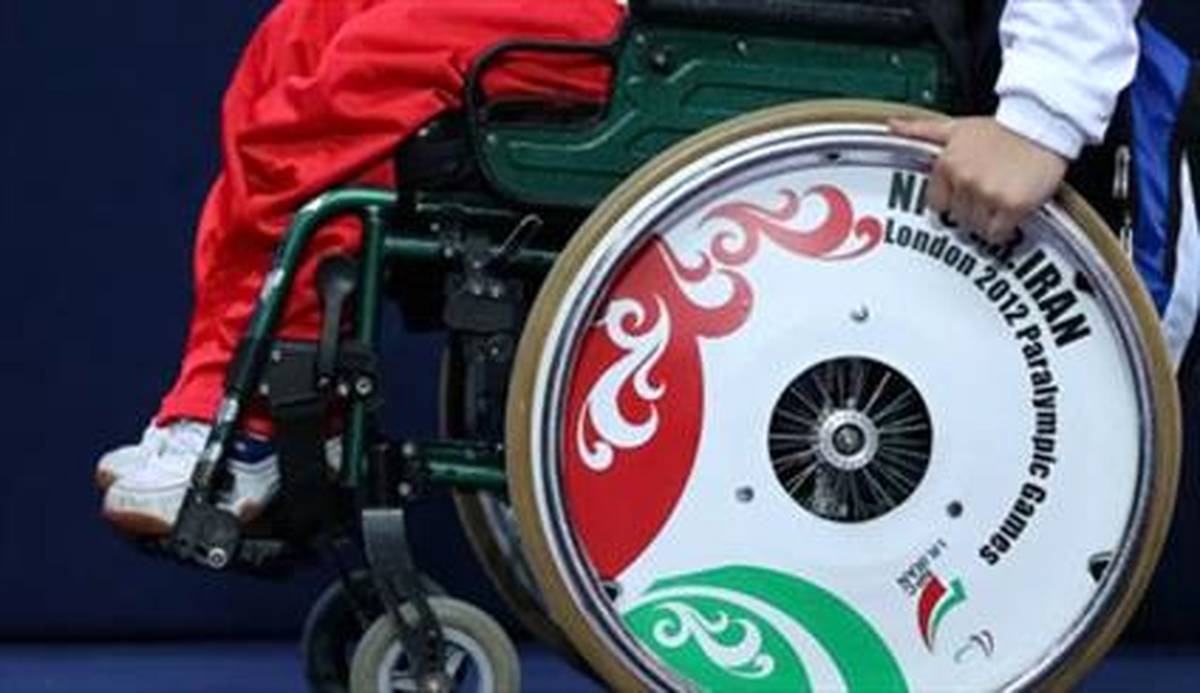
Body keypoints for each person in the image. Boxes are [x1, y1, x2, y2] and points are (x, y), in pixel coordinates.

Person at [96, 0, 1147, 536]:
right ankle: (236, 409)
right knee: (306, 30)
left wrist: (1043, 116)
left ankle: (254, 426)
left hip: (779, 23)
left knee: (358, 76)